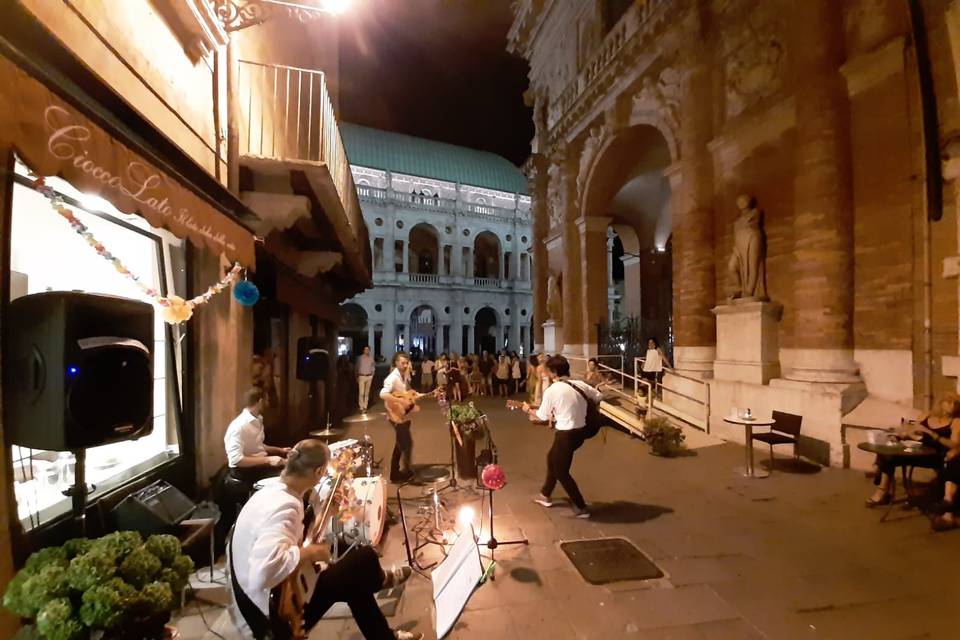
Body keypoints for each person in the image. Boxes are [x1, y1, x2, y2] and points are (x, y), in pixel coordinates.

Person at [229, 439, 421, 640]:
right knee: (363, 560)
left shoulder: (273, 492)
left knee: (354, 576)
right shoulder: (284, 506)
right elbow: (264, 571)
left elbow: (293, 547)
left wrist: (326, 516)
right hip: (275, 618)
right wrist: (311, 552)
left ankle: (382, 626)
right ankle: (378, 579)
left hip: (272, 597)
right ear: (320, 472)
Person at [521, 355, 602, 518]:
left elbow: (542, 416)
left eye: (549, 371)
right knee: (552, 458)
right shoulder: (579, 384)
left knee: (561, 471)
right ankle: (545, 495)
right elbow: (599, 396)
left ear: (554, 371)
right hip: (581, 432)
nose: (548, 374)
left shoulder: (552, 390)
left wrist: (528, 410)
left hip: (566, 434)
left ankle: (581, 506)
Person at [225, 388, 291, 483]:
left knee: (291, 470)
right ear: (260, 401)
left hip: (257, 465)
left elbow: (257, 445)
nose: (268, 403)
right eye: (267, 400)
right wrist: (268, 460)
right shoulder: (239, 426)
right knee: (288, 478)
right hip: (243, 471)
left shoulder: (258, 420)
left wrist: (280, 450)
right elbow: (236, 460)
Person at [380, 352, 425, 483]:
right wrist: (400, 402)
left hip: (400, 414)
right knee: (407, 444)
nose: (405, 365)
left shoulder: (403, 375)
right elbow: (383, 394)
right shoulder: (392, 377)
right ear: (396, 363)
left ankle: (396, 473)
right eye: (402, 363)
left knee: (400, 444)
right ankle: (405, 471)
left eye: (406, 363)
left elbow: (405, 392)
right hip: (394, 416)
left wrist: (417, 395)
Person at [356, 346, 375, 414]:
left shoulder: (371, 359)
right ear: (363, 350)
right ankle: (361, 406)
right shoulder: (360, 358)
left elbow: (373, 367)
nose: (366, 351)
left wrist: (372, 374)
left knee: (367, 393)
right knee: (361, 393)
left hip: (369, 376)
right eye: (365, 349)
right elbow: (356, 367)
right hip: (362, 376)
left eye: (368, 349)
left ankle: (365, 406)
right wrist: (357, 376)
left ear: (369, 351)